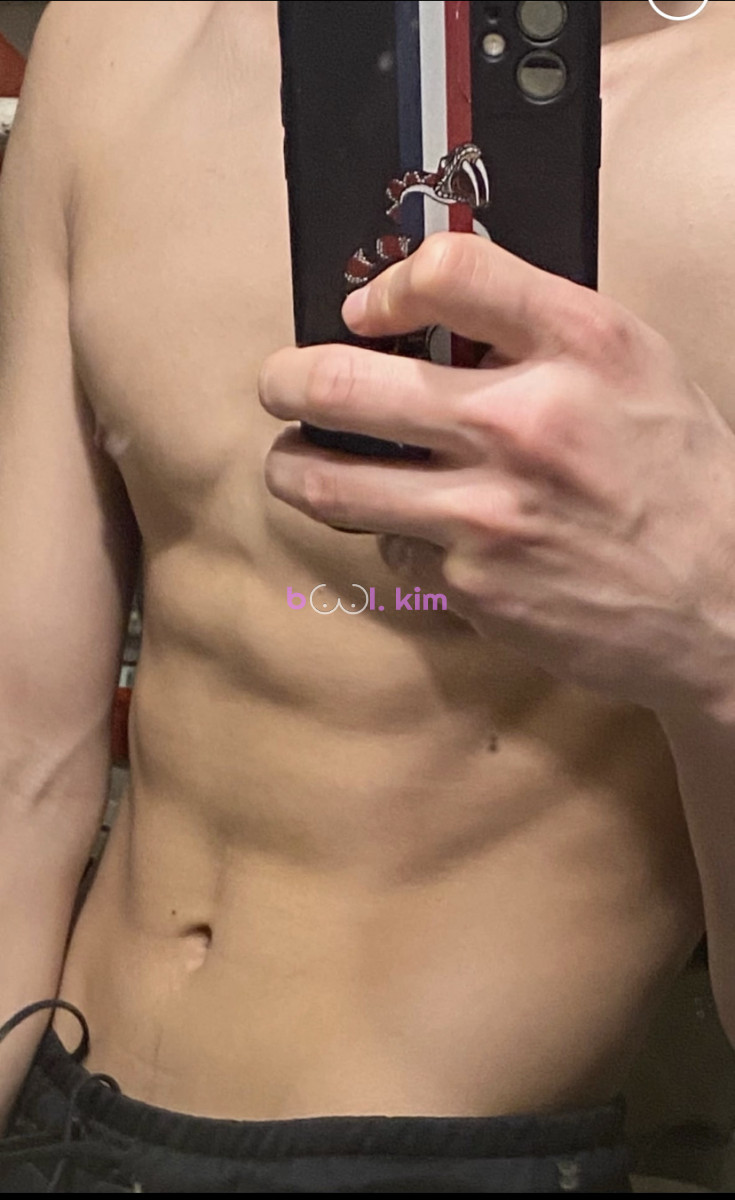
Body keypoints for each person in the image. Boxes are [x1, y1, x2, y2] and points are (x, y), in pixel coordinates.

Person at [0, 0, 726, 1191]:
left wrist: (720, 642)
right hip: (58, 1095)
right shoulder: (120, 39)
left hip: (438, 1149)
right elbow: (22, 755)